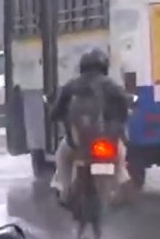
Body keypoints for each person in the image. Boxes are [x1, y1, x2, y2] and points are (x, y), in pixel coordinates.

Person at [47, 48, 131, 204]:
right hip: (105, 142)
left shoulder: (71, 86)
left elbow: (56, 112)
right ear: (104, 66)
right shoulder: (111, 85)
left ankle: (64, 188)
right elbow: (124, 107)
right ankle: (120, 181)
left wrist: (56, 115)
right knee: (120, 154)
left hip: (78, 143)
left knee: (62, 156)